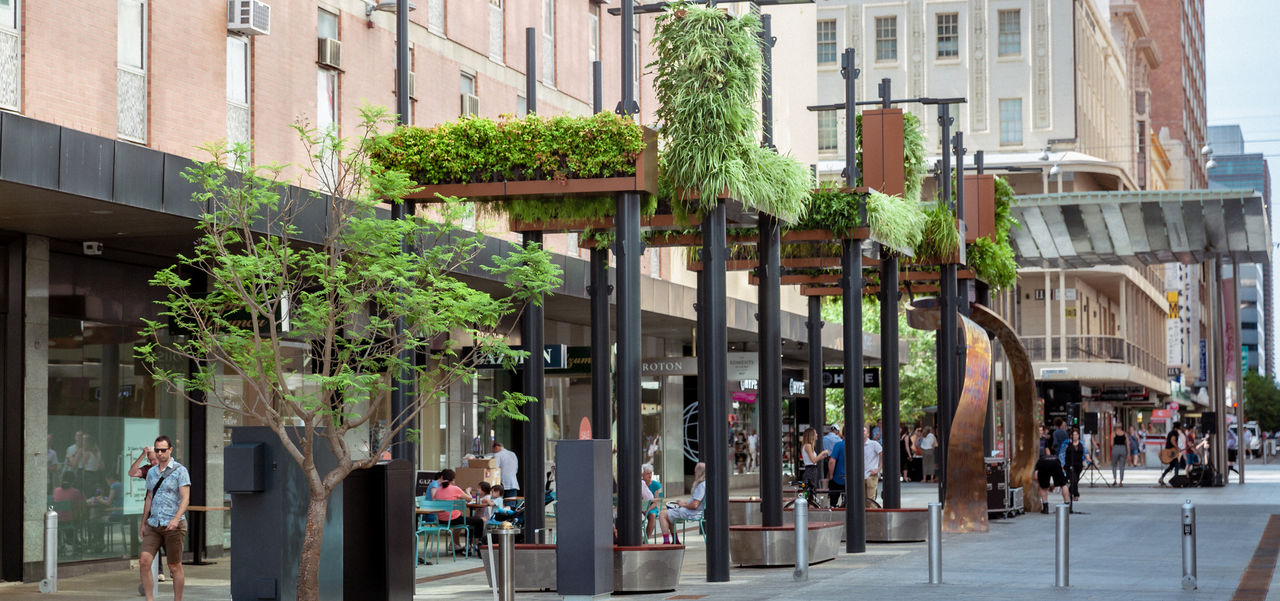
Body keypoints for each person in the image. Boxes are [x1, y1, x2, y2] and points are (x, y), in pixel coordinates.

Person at [139, 435, 190, 601]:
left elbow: (185, 498)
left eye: (163, 450)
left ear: (170, 450)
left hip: (173, 525)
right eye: (157, 450)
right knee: (144, 561)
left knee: (174, 566)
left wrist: (176, 519)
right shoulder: (152, 472)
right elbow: (149, 498)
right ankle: (149, 599)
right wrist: (143, 522)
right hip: (154, 524)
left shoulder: (180, 470)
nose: (160, 453)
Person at [431, 469, 484, 555]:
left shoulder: (438, 490)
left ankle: (466, 545)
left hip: (441, 521)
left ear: (442, 477)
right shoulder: (455, 488)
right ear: (453, 479)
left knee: (468, 520)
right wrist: (467, 491)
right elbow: (469, 499)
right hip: (454, 519)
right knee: (478, 521)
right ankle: (477, 545)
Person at [659, 462, 705, 545]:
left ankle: (666, 542)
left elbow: (695, 505)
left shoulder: (701, 486)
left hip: (692, 513)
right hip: (699, 512)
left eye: (695, 472)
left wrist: (683, 505)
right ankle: (675, 540)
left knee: (662, 514)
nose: (694, 474)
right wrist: (685, 503)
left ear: (699, 473)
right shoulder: (706, 484)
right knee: (670, 514)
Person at [1034, 445, 1071, 513]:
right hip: (1055, 463)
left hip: (1043, 464)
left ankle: (1045, 507)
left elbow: (1036, 476)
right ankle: (1066, 504)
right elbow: (1061, 472)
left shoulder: (1039, 460)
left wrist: (1042, 483)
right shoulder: (1056, 458)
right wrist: (1055, 485)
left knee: (1043, 487)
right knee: (1063, 484)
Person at [799, 428, 829, 493]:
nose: (817, 434)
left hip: (810, 470)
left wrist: (822, 456)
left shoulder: (807, 446)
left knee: (809, 493)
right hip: (810, 471)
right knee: (809, 493)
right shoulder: (808, 446)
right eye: (815, 433)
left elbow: (813, 460)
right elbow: (813, 460)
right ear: (811, 435)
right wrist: (822, 453)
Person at [1063, 428, 1086, 502]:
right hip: (1070, 465)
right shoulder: (1067, 445)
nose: (1075, 436)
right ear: (1071, 436)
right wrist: (1063, 465)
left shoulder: (1081, 444)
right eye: (1074, 435)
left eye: (1076, 435)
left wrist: (1086, 461)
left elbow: (1085, 453)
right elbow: (1063, 455)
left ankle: (1070, 491)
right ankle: (1076, 494)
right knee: (1073, 480)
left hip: (1078, 465)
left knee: (1076, 480)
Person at [641, 464, 662, 541]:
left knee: (652, 516)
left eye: (651, 473)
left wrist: (648, 509)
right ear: (642, 474)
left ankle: (646, 539)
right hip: (641, 506)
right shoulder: (640, 483)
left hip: (651, 507)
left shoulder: (656, 484)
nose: (649, 475)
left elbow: (656, 502)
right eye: (647, 473)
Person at [863, 426, 883, 507]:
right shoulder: (856, 445)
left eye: (864, 431)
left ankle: (873, 517)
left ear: (868, 434)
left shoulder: (874, 444)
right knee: (862, 500)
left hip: (871, 474)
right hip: (861, 475)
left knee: (871, 500)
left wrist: (878, 469)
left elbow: (882, 455)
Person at [827, 436, 847, 508]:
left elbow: (832, 461)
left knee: (833, 503)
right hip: (852, 480)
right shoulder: (858, 445)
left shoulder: (839, 445)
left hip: (838, 478)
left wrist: (831, 475)